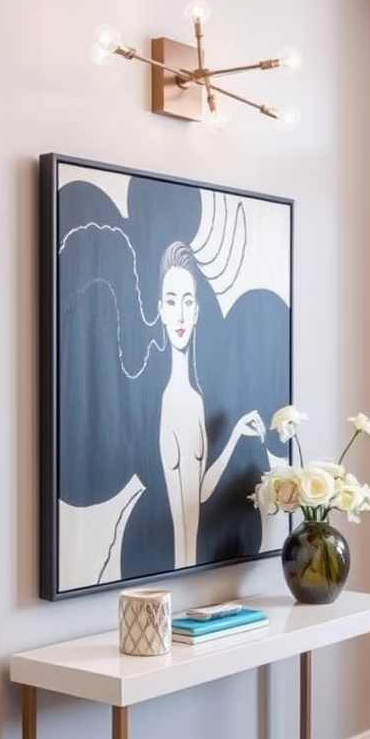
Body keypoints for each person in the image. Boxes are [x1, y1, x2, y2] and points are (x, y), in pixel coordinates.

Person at [156, 241, 265, 567]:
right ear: (160, 310)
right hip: (179, 566)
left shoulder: (195, 400)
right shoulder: (169, 401)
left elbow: (200, 493)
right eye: (171, 301)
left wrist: (232, 436)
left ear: (197, 312)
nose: (179, 313)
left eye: (187, 302)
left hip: (192, 573)